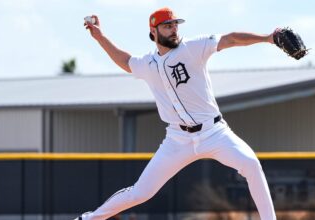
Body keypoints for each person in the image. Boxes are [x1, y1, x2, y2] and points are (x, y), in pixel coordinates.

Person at [77, 7, 277, 220]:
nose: (174, 29)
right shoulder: (147, 63)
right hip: (177, 139)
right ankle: (89, 218)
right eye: (167, 26)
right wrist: (100, 37)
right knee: (140, 192)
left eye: (175, 25)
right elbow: (125, 61)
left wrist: (268, 38)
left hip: (214, 132)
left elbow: (232, 39)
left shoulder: (193, 47)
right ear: (154, 31)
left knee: (251, 165)